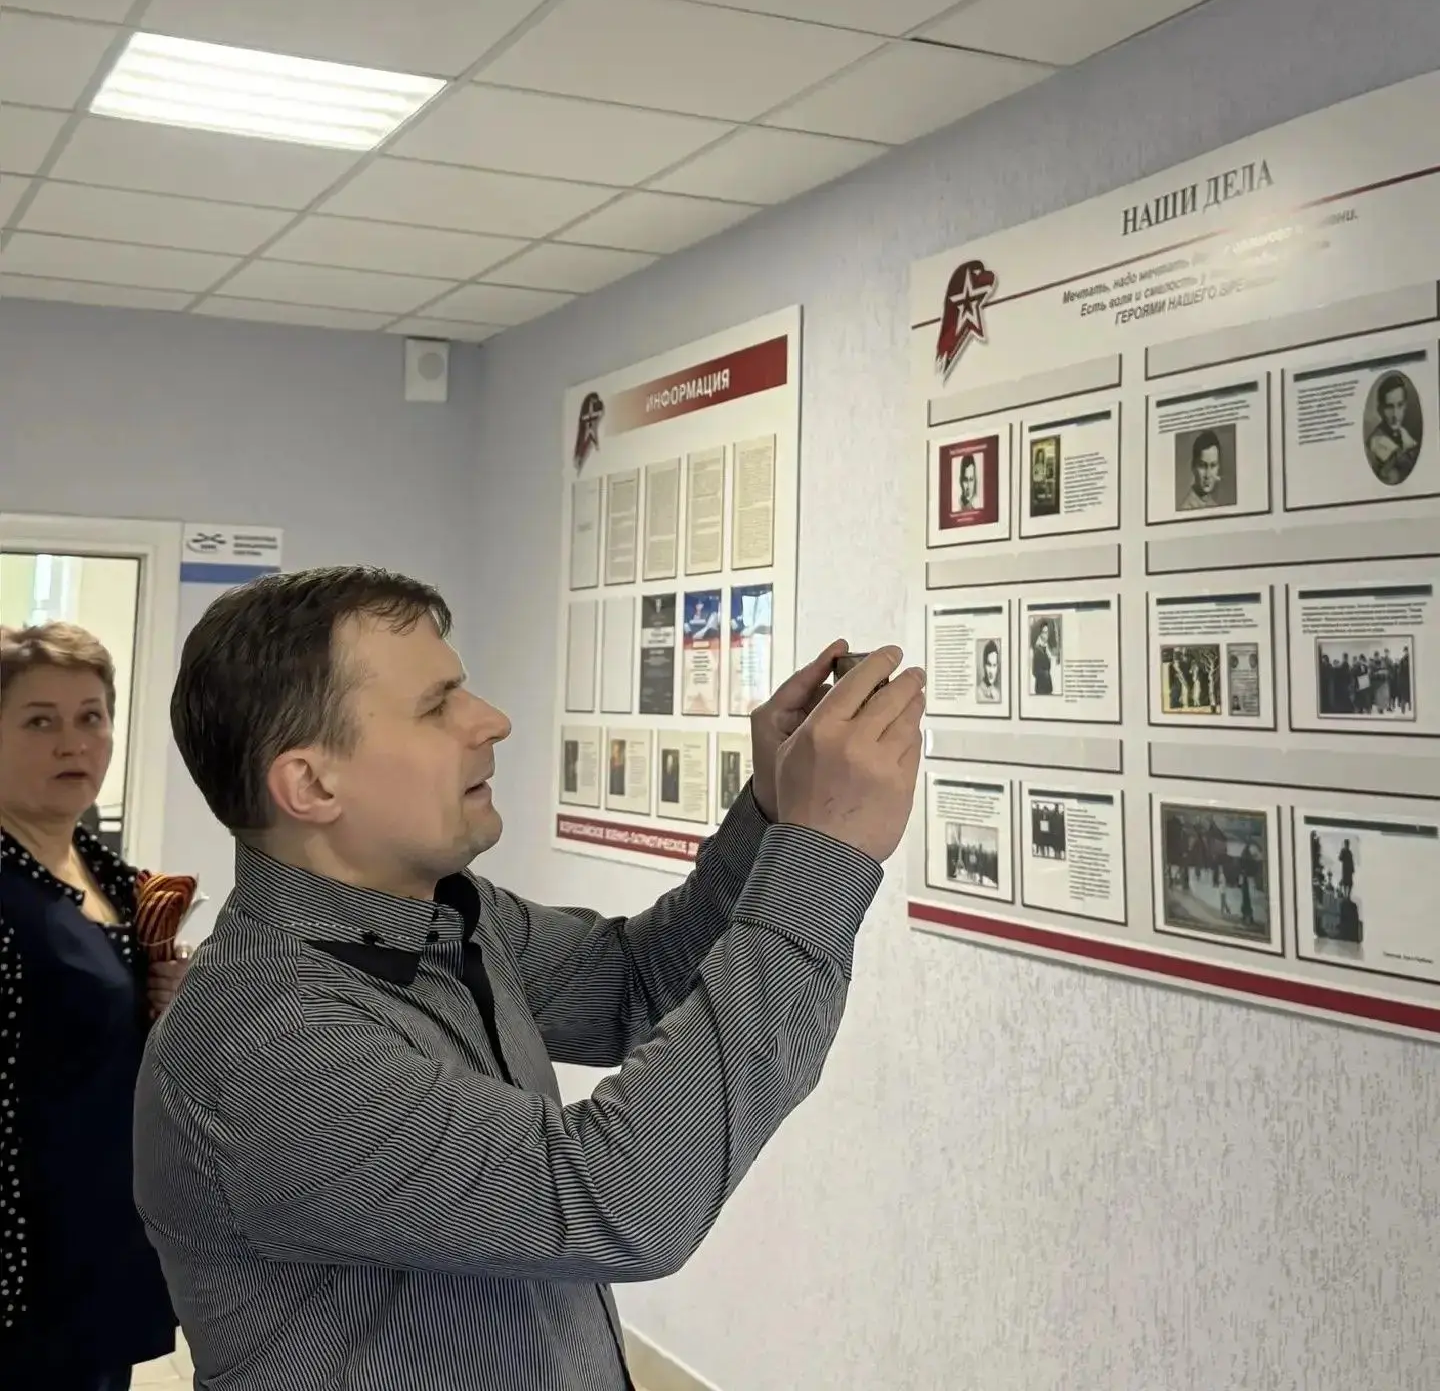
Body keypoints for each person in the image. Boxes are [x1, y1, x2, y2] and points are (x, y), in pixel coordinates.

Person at [134, 566, 923, 1391]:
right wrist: (821, 857)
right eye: (437, 705)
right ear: (312, 784)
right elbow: (619, 1200)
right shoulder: (267, 1050)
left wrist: (770, 810)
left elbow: (635, 982)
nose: (493, 721)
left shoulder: (447, 915)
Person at [0, 622, 187, 1391]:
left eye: (91, 717)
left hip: (102, 1244)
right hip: (21, 1273)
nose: (73, 742)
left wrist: (169, 1005)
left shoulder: (114, 879)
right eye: (39, 721)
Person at [1366, 373, 1420, 487]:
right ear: (1380, 409)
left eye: (1400, 405)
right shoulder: (1376, 440)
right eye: (1389, 407)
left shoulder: (1403, 433)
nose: (1395, 414)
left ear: (1405, 406)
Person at [1180, 430, 1224, 512]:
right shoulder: (1186, 509)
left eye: (1213, 465)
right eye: (1202, 466)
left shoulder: (1214, 505)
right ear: (1193, 467)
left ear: (1218, 467)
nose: (1208, 475)